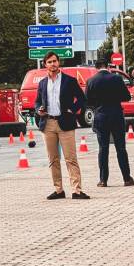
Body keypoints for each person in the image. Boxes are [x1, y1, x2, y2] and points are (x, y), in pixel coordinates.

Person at [34, 51, 89, 200]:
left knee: (71, 158)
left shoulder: (69, 81)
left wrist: (73, 109)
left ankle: (77, 190)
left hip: (65, 122)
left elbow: (82, 98)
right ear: (45, 65)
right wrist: (39, 109)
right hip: (48, 123)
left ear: (59, 63)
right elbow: (37, 101)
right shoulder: (42, 83)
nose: (53, 64)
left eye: (54, 61)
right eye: (49, 62)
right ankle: (58, 190)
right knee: (53, 159)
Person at [85, 58, 134, 188]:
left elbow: (87, 101)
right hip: (116, 115)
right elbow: (126, 96)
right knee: (121, 148)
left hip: (100, 116)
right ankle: (127, 178)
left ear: (96, 67)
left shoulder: (91, 81)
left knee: (103, 148)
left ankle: (103, 180)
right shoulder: (116, 78)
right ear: (107, 66)